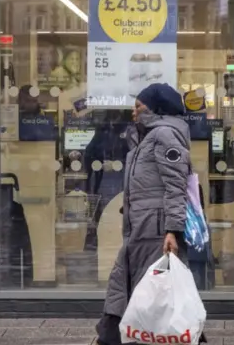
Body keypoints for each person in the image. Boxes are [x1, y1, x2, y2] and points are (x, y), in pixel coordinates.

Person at [96, 83, 206, 345]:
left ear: (155, 109)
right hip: (142, 227)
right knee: (136, 286)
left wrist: (173, 231)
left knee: (153, 290)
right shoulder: (146, 137)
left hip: (155, 230)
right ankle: (117, 334)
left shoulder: (165, 135)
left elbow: (175, 185)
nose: (133, 113)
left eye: (138, 107)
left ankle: (115, 337)